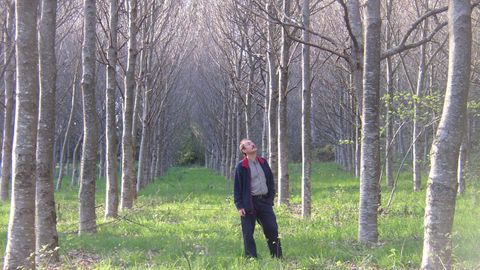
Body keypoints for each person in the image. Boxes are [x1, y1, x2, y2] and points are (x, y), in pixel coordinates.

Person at [234, 139, 282, 258]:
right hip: (249, 203)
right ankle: (251, 259)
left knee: (272, 229)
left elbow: (270, 181)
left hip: (264, 202)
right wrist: (239, 206)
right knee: (248, 233)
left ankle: (277, 257)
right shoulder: (241, 166)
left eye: (252, 142)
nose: (252, 144)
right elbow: (237, 188)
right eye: (248, 144)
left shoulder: (263, 162)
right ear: (244, 150)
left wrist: (270, 198)